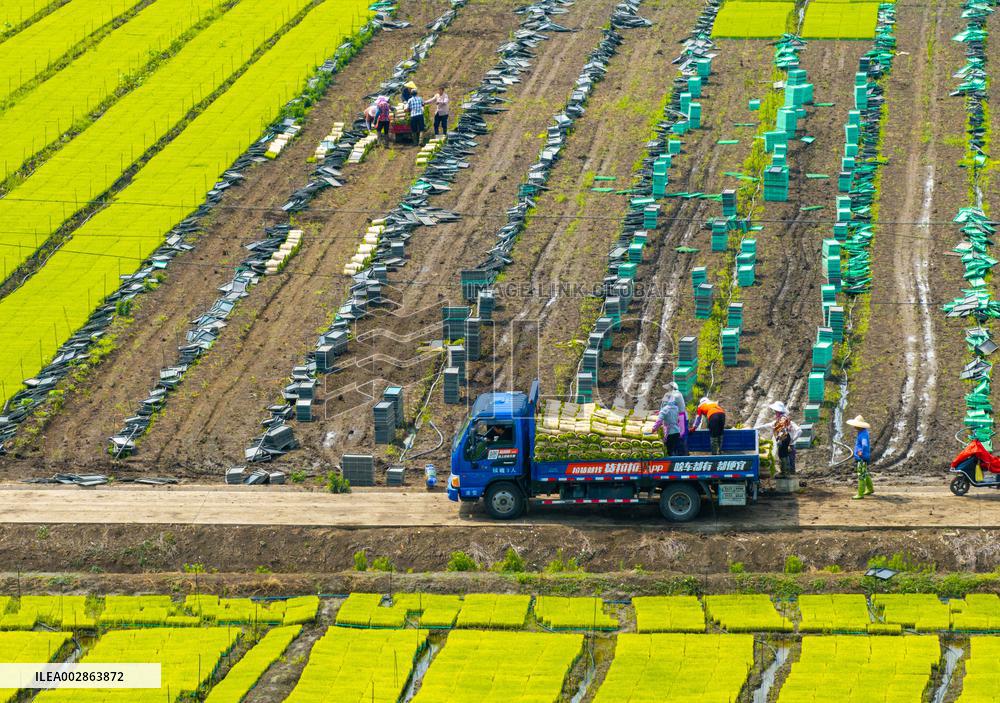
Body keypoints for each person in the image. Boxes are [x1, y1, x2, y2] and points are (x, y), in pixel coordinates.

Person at [762, 401, 801, 475]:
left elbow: (783, 429)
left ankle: (785, 471)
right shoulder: (781, 418)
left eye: (776, 411)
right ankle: (785, 471)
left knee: (783, 454)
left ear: (778, 411)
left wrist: (779, 439)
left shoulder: (782, 418)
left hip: (784, 439)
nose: (775, 412)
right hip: (785, 438)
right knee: (782, 454)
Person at [847, 415, 874, 499]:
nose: (854, 426)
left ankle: (860, 494)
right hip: (864, 456)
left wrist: (860, 452)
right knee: (865, 473)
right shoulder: (863, 432)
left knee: (861, 475)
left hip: (862, 457)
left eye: (856, 425)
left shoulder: (863, 435)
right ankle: (870, 489)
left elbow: (865, 444)